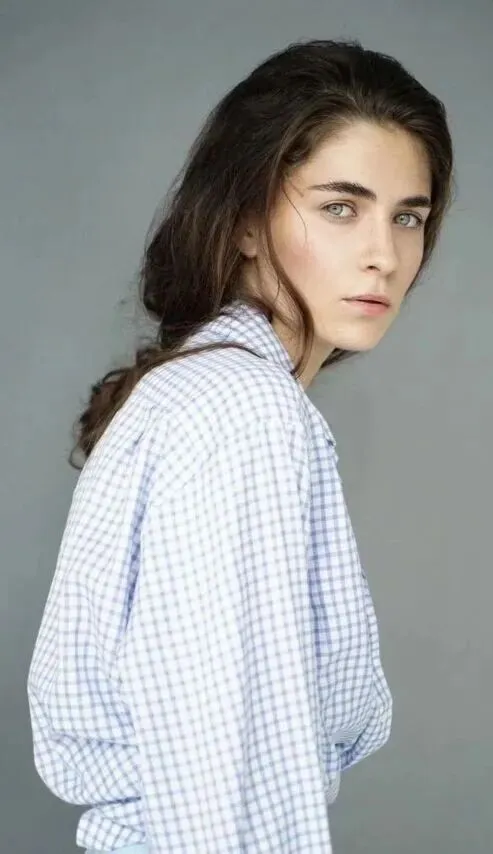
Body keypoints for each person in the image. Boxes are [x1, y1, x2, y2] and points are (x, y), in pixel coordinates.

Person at [27, 38, 454, 854]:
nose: (384, 255)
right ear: (248, 220)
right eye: (340, 207)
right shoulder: (240, 410)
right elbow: (220, 770)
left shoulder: (208, 390)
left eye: (408, 216)